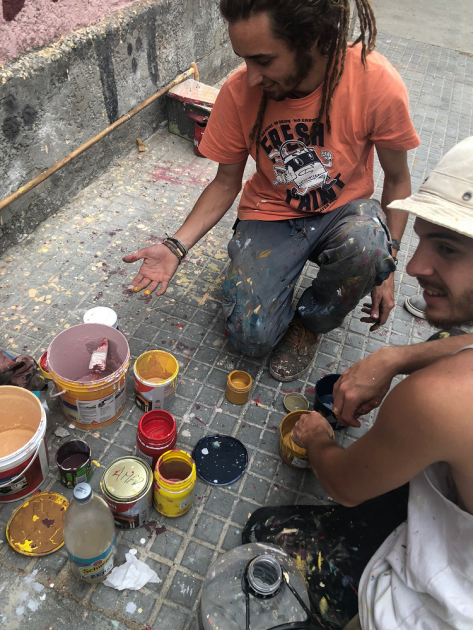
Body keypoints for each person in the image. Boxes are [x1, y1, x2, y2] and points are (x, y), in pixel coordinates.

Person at [123, 0, 420, 382]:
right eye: (244, 59)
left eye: (263, 60)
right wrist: (175, 246)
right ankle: (262, 274)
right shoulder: (238, 92)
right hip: (271, 214)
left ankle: (311, 323)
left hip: (345, 215)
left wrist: (388, 268)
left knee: (369, 249)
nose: (249, 77)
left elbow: (398, 181)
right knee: (249, 338)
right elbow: (225, 182)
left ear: (313, 41)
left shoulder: (375, 81)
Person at [291, 136, 473, 629]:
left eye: (449, 248)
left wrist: (318, 440)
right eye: (424, 239)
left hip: (446, 608)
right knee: (453, 334)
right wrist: (395, 357)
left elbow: (347, 487)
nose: (413, 267)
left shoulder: (441, 398)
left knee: (270, 537)